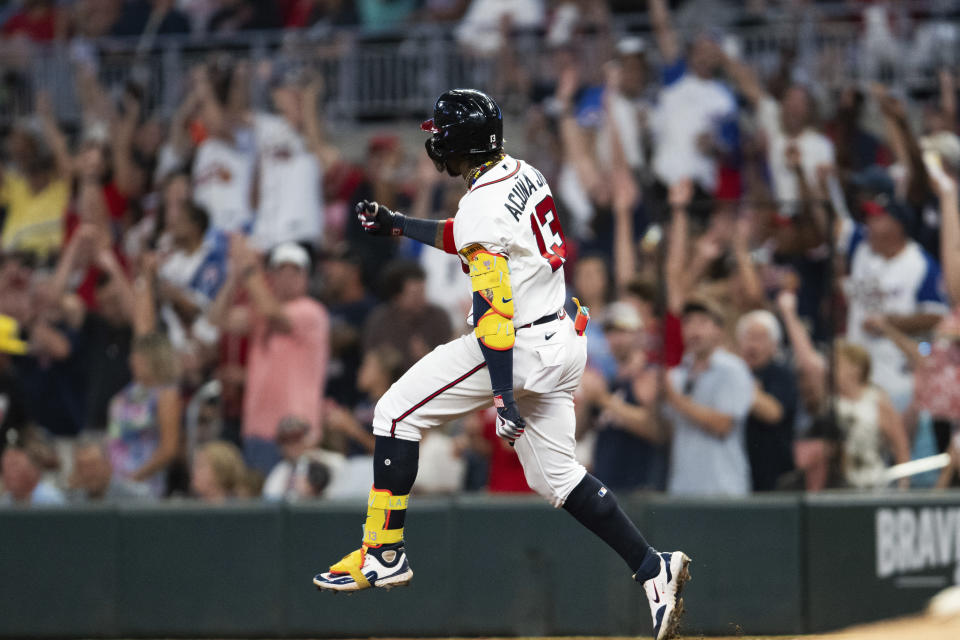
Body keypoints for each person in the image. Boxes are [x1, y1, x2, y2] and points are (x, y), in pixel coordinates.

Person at [312, 89, 690, 640]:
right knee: (556, 477)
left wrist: (503, 397)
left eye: (440, 134)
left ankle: (383, 552)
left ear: (457, 143)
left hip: (521, 346)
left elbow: (494, 311)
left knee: (394, 414)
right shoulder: (522, 172)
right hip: (563, 338)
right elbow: (471, 237)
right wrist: (399, 224)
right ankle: (654, 568)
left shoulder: (481, 206)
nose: (435, 141)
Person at [208, 239, 329, 474]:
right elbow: (217, 318)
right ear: (271, 277)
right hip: (256, 428)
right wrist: (234, 277)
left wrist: (249, 269)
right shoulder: (262, 313)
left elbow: (272, 312)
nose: (287, 277)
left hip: (295, 431)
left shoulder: (312, 311)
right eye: (281, 271)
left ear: (306, 277)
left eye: (295, 271)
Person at [663, 296, 755, 496]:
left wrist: (676, 399)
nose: (694, 330)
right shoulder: (677, 375)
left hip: (723, 486)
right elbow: (666, 430)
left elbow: (722, 425)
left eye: (703, 322)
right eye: (688, 322)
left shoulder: (733, 369)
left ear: (719, 331)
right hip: (683, 488)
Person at [576, 302, 667, 492]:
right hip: (608, 487)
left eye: (623, 331)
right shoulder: (609, 382)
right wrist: (589, 400)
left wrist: (603, 399)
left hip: (641, 492)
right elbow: (577, 434)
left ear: (640, 334)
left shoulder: (650, 376)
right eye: (610, 332)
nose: (616, 339)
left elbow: (657, 430)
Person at [106, 332, 181, 497]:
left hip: (144, 481)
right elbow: (113, 436)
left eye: (139, 356)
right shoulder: (125, 393)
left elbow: (169, 448)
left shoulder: (165, 395)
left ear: (155, 359)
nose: (132, 360)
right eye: (133, 355)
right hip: (113, 478)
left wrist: (136, 476)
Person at [736, 310, 799, 491]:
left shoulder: (782, 374)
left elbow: (773, 413)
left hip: (775, 473)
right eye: (748, 337)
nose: (753, 345)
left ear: (774, 345)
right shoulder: (733, 372)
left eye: (760, 338)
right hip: (738, 469)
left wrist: (743, 387)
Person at [68, 434, 151, 502]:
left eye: (93, 466)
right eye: (82, 467)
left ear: (108, 466)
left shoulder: (136, 497)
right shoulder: (72, 500)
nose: (88, 473)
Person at [0, 433, 65, 506]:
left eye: (14, 466)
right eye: (5, 466)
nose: (9, 473)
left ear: (34, 469)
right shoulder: (4, 502)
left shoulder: (51, 500)